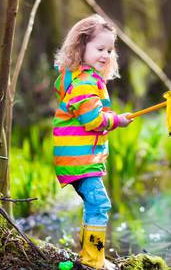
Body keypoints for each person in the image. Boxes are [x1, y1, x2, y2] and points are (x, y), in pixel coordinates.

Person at [52, 14, 133, 269]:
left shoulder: (87, 80)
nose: (106, 55)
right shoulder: (84, 83)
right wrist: (116, 120)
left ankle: (91, 256)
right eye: (100, 48)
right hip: (79, 159)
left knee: (94, 204)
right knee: (100, 203)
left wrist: (112, 118)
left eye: (109, 50)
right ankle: (92, 260)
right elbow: (93, 120)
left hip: (82, 158)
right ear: (81, 46)